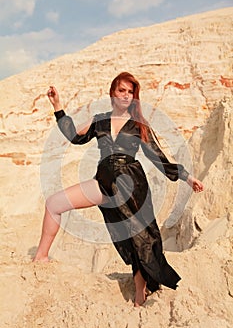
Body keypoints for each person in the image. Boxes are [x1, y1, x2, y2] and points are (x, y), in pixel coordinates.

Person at [33, 72, 204, 307]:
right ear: (112, 93)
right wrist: (57, 106)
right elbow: (73, 136)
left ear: (134, 97)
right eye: (121, 90)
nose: (125, 95)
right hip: (102, 183)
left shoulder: (139, 126)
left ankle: (139, 294)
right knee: (54, 203)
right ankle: (40, 257)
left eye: (130, 92)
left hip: (130, 186)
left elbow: (159, 158)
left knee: (139, 238)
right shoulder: (100, 120)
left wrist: (187, 177)